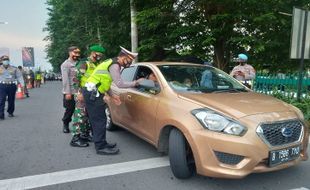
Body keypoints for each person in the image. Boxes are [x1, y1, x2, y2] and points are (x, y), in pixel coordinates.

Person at [82, 46, 143, 155]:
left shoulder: (111, 62)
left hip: (93, 92)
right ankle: (100, 147)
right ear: (123, 57)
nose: (129, 63)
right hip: (92, 93)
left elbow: (105, 82)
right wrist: (136, 82)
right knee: (99, 120)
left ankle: (102, 143)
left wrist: (112, 96)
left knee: (100, 119)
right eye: (129, 60)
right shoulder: (115, 65)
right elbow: (120, 84)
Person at [70, 44, 106, 147]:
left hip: (92, 94)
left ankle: (84, 135)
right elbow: (75, 79)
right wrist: (78, 93)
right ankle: (75, 138)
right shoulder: (83, 63)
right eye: (99, 54)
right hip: (82, 93)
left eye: (101, 55)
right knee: (80, 115)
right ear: (93, 53)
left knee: (88, 115)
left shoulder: (96, 64)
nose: (100, 56)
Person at [60, 46, 81, 133]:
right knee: (70, 110)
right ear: (70, 53)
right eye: (75, 53)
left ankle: (79, 127)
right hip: (70, 91)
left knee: (81, 110)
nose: (77, 54)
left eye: (78, 53)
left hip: (80, 91)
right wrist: (68, 92)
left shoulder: (80, 63)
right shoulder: (65, 64)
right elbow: (65, 80)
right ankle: (65, 123)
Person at [0, 55, 24, 120]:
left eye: (7, 59)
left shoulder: (14, 68)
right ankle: (1, 114)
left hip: (12, 85)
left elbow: (19, 76)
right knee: (1, 100)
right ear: (2, 61)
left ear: (9, 61)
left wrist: (22, 84)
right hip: (2, 85)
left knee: (11, 100)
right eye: (4, 60)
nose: (6, 61)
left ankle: (10, 112)